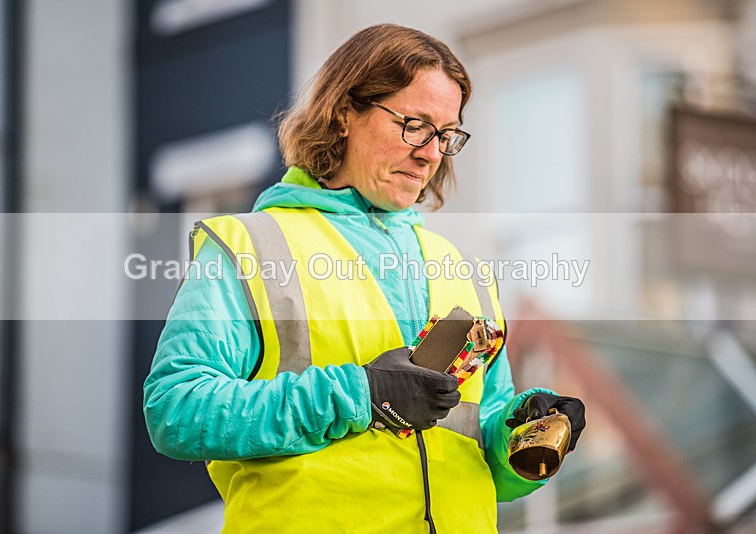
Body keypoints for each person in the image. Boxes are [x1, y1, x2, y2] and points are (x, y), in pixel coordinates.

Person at [143, 23, 586, 533]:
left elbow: (482, 455)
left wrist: (520, 431)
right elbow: (175, 410)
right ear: (344, 113)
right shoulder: (249, 247)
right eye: (414, 125)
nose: (430, 154)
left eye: (445, 135)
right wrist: (360, 394)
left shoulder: (466, 273)